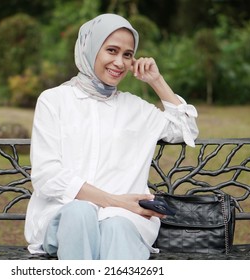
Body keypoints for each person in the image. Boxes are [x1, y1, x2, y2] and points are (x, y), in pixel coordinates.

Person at [24, 13, 198, 260]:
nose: (119, 62)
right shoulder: (55, 101)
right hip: (64, 216)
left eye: (127, 55)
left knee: (115, 226)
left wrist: (156, 81)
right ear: (90, 48)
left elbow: (187, 130)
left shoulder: (135, 108)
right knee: (80, 213)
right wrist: (115, 200)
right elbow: (47, 175)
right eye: (111, 50)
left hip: (122, 221)